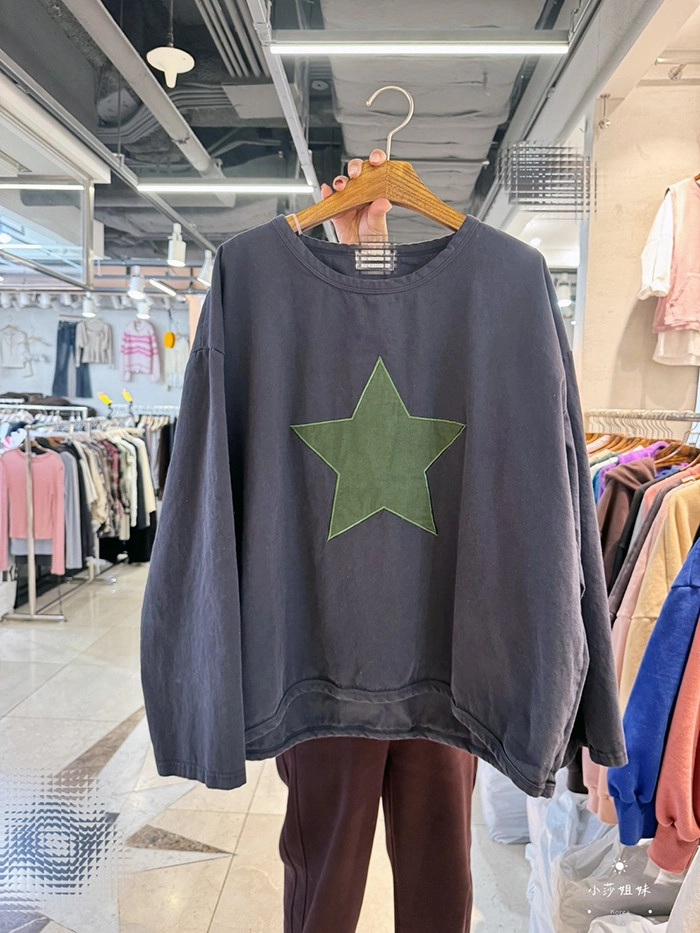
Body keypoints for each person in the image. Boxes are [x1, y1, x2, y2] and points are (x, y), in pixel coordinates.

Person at [274, 148, 478, 933]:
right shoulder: (292, 314)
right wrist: (357, 247)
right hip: (334, 657)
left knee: (428, 874)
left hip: (430, 660)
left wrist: (371, 243)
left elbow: (391, 338)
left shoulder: (477, 305)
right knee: (333, 875)